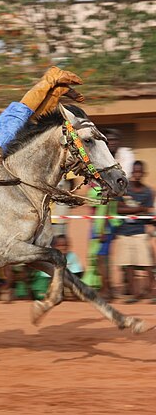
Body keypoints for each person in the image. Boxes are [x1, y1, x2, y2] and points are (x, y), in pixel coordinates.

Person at [82, 129, 122, 300]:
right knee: (96, 254)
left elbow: (111, 193)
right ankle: (103, 285)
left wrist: (104, 225)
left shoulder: (114, 165)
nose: (111, 142)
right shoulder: (100, 161)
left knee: (101, 254)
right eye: (109, 140)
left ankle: (107, 288)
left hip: (105, 218)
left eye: (115, 139)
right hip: (96, 216)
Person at [115, 160, 154, 303]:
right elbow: (119, 209)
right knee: (128, 265)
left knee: (146, 263)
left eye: (140, 172)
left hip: (140, 232)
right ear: (132, 172)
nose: (137, 174)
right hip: (124, 232)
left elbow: (148, 211)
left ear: (144, 174)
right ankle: (135, 294)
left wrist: (138, 210)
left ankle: (151, 292)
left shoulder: (148, 192)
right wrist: (139, 209)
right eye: (135, 171)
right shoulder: (124, 188)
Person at [31, 234, 83, 300]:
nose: (62, 248)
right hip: (53, 282)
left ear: (69, 246)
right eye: (59, 246)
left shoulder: (72, 256)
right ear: (54, 247)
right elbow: (47, 277)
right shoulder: (51, 258)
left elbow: (77, 273)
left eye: (65, 245)